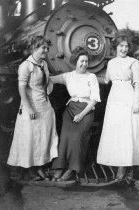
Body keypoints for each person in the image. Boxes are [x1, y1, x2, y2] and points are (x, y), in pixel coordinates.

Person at [96, 32, 139, 180]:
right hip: (114, 99)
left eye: (126, 46)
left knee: (127, 132)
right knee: (116, 132)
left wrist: (135, 101)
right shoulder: (111, 63)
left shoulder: (133, 62)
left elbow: (138, 83)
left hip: (128, 97)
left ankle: (124, 167)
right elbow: (106, 80)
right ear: (116, 47)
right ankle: (120, 163)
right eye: (121, 46)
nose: (124, 49)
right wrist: (89, 75)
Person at [7, 35, 59, 180]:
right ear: (34, 47)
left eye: (47, 48)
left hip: (44, 106)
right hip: (31, 107)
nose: (46, 50)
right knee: (30, 139)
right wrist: (29, 109)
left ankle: (39, 167)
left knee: (42, 139)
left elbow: (47, 81)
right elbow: (22, 89)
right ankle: (29, 170)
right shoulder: (26, 66)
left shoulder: (44, 64)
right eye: (43, 47)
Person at [50, 46, 100, 181]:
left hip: (86, 111)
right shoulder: (68, 76)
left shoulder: (92, 77)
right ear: (75, 61)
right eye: (81, 61)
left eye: (86, 61)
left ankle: (72, 169)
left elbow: (94, 99)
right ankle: (60, 168)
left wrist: (82, 115)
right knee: (65, 137)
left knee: (77, 138)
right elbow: (50, 79)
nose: (84, 64)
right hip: (70, 110)